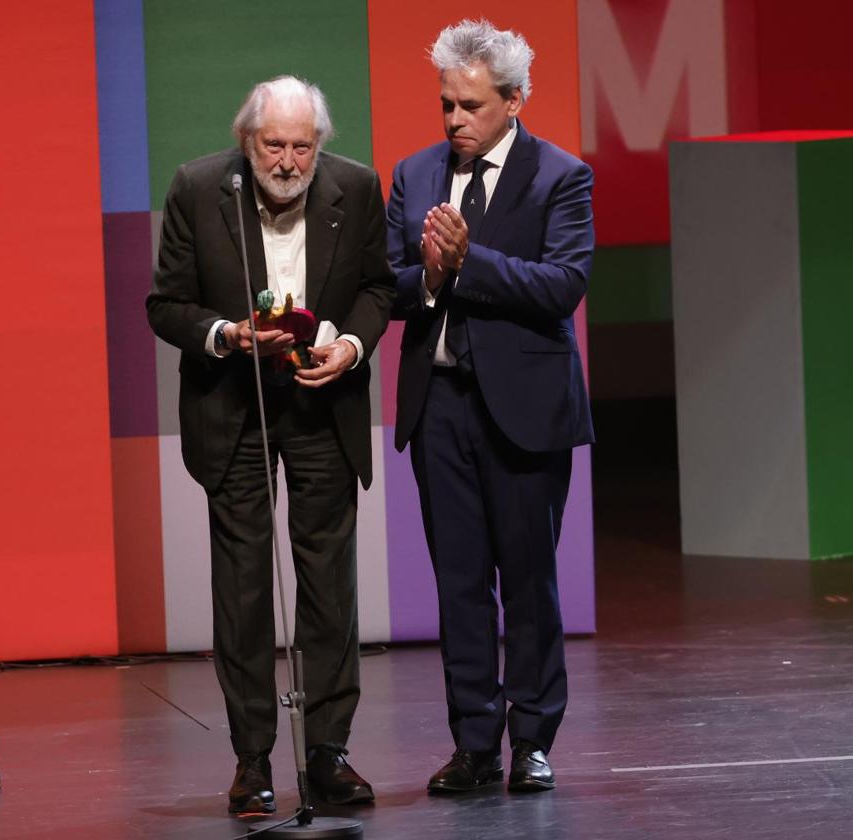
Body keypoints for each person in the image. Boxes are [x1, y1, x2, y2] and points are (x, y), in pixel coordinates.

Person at [147, 76, 394, 814]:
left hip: (323, 402)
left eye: (302, 146)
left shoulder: (356, 188)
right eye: (273, 145)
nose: (288, 161)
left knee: (329, 588)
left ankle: (327, 753)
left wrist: (351, 346)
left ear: (321, 145)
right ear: (246, 140)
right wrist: (225, 335)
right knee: (245, 589)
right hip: (234, 406)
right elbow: (166, 303)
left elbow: (379, 289)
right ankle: (252, 759)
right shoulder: (197, 188)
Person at [388, 20, 595, 794]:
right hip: (440, 405)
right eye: (446, 105)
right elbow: (388, 285)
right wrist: (432, 277)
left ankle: (532, 739)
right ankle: (474, 743)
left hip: (525, 410)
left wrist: (468, 261)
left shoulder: (560, 177)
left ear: (513, 100)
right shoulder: (414, 175)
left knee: (530, 581)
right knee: (460, 583)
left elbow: (561, 287)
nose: (453, 121)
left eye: (470, 106)